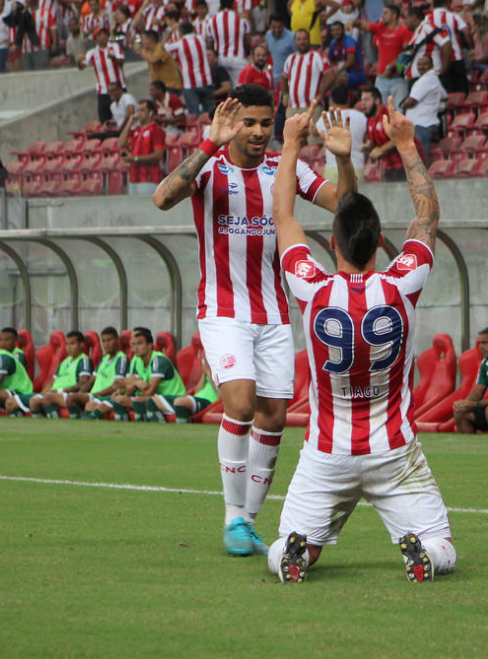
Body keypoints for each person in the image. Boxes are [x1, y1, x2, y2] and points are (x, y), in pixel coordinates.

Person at [151, 84, 356, 557]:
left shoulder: (284, 168)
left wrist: (343, 160)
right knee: (240, 405)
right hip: (223, 310)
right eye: (249, 122)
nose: (260, 131)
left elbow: (342, 203)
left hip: (273, 313)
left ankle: (249, 522)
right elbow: (162, 198)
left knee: (274, 416)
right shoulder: (210, 168)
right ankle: (232, 516)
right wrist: (210, 142)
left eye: (267, 122)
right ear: (231, 122)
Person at [267, 102, 456, 584]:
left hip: (326, 454)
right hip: (393, 450)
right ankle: (425, 554)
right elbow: (427, 215)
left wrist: (290, 145)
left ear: (332, 245)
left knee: (287, 544)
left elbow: (283, 214)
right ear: (379, 244)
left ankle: (294, 554)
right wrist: (406, 144)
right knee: (441, 544)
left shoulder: (312, 287)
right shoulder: (403, 282)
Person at [8, 330, 94, 418]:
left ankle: (52, 423)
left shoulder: (84, 360)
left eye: (72, 344)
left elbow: (83, 382)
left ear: (81, 345)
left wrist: (60, 391)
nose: (68, 347)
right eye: (66, 344)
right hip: (52, 394)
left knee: (36, 401)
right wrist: (42, 393)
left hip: (65, 395)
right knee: (10, 402)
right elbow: (52, 383)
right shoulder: (64, 362)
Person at [350, 2, 411, 106]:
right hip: (381, 78)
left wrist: (390, 66)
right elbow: (363, 25)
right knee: (380, 110)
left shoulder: (404, 31)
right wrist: (354, 22)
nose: (382, 15)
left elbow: (406, 53)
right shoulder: (380, 28)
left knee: (399, 110)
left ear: (394, 16)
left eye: (385, 13)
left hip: (398, 78)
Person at [122, 327, 186, 423]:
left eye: (140, 343)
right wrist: (137, 383)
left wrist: (135, 382)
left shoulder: (158, 360)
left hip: (174, 398)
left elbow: (149, 391)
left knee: (143, 400)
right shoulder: (137, 361)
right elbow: (129, 390)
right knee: (120, 400)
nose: (136, 347)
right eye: (134, 344)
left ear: (150, 345)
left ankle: (159, 426)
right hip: (156, 397)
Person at [71, 327, 130, 419]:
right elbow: (91, 380)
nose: (106, 344)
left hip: (107, 396)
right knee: (86, 405)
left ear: (117, 340)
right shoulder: (104, 358)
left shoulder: (121, 359)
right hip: (95, 396)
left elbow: (117, 385)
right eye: (104, 341)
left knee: (75, 401)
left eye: (109, 340)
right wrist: (81, 392)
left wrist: (95, 394)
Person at [315, 84, 368, 182]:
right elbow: (367, 141)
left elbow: (314, 134)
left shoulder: (325, 117)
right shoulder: (361, 116)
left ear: (331, 101)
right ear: (349, 99)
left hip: (332, 168)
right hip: (357, 167)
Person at [403, 54, 446, 166]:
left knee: (419, 159)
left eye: (425, 64)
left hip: (422, 125)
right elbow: (444, 96)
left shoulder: (425, 80)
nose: (421, 67)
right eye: (419, 64)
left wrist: (403, 105)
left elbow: (411, 101)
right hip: (425, 124)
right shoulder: (433, 79)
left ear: (432, 66)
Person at [78, 26, 126, 123]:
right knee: (104, 121)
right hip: (103, 91)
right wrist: (78, 61)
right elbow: (82, 66)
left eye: (104, 34)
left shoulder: (115, 46)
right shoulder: (92, 52)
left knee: (124, 116)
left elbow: (121, 61)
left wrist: (113, 58)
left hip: (119, 88)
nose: (103, 36)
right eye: (99, 35)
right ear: (95, 39)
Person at [119, 98, 167, 195]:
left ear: (150, 112)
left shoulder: (156, 130)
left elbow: (159, 155)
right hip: (133, 178)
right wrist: (128, 124)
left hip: (149, 179)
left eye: (142, 110)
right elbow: (121, 144)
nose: (138, 114)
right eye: (138, 110)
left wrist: (135, 158)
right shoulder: (137, 130)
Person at [166, 20, 214, 114]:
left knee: (194, 114)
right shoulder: (201, 39)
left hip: (190, 84)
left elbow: (164, 47)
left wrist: (170, 31)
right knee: (211, 112)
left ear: (181, 32)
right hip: (206, 81)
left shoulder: (179, 44)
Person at [281, 29, 330, 118]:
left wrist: (320, 95)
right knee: (291, 128)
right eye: (299, 39)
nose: (302, 42)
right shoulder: (290, 58)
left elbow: (330, 74)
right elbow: (284, 77)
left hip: (312, 107)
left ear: (309, 40)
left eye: (304, 39)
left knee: (311, 128)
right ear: (295, 42)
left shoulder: (317, 56)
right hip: (292, 107)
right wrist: (285, 96)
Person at [430, 0, 472, 94]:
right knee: (462, 92)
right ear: (446, 4)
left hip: (439, 61)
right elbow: (466, 32)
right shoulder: (453, 16)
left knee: (447, 93)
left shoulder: (428, 19)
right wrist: (471, 48)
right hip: (456, 58)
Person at [211, 0, 250, 84]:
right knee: (240, 87)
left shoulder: (212, 20)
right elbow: (247, 41)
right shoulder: (241, 20)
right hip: (238, 58)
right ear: (233, 4)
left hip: (220, 58)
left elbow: (209, 42)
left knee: (223, 86)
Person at [405, 5, 452, 82]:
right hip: (418, 78)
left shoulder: (427, 27)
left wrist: (444, 68)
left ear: (413, 17)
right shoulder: (417, 32)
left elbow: (446, 43)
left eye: (406, 18)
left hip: (428, 77)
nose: (405, 21)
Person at [172, 351, 219, 423]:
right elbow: (197, 392)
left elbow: (220, 394)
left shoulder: (218, 373)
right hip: (197, 399)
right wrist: (204, 374)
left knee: (179, 402)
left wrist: (209, 374)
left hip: (210, 401)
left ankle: (183, 427)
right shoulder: (206, 372)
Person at [133, 29, 183, 94]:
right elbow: (139, 53)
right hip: (158, 87)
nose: (142, 42)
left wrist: (139, 51)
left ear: (149, 40)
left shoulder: (161, 47)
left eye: (143, 39)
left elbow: (154, 60)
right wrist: (135, 47)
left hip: (170, 86)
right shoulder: (147, 50)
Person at [323, 20, 365, 91]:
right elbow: (329, 60)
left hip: (356, 74)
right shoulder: (333, 43)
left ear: (343, 30)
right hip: (342, 72)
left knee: (338, 79)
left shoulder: (349, 41)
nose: (335, 32)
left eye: (338, 30)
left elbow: (350, 60)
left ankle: (329, 98)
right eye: (333, 30)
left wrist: (337, 71)